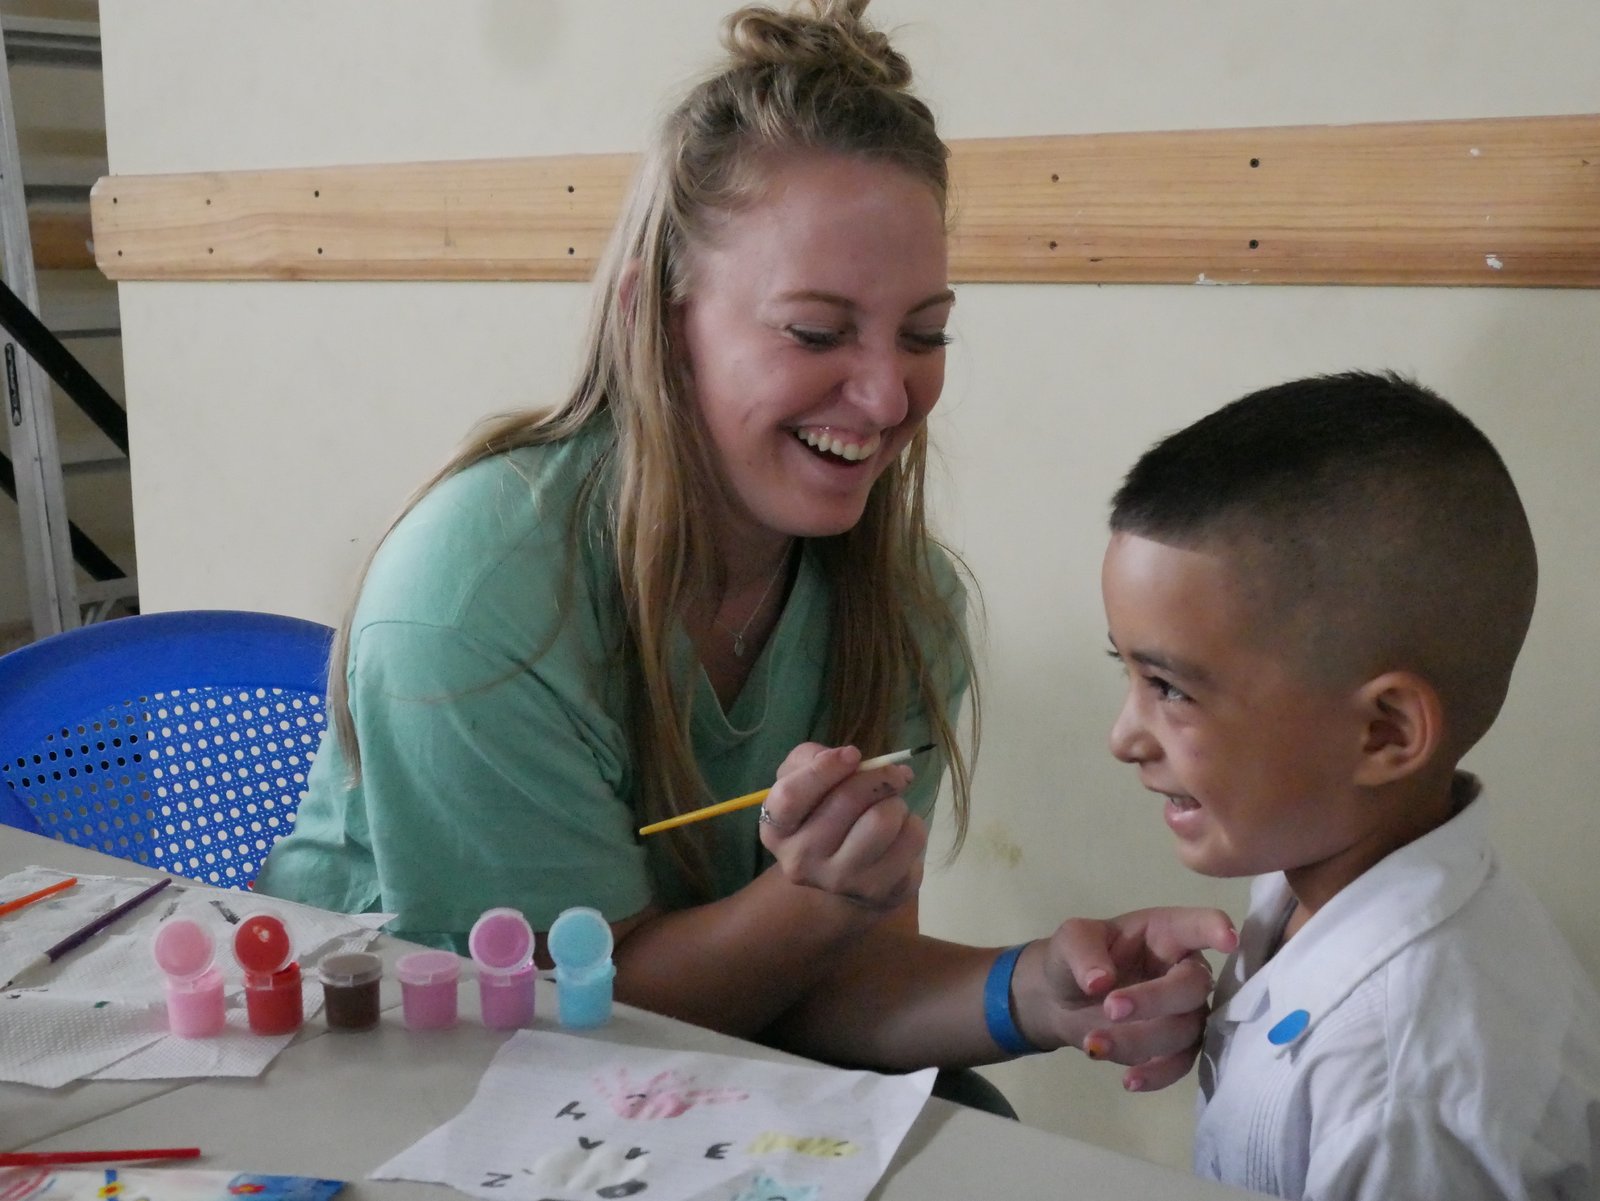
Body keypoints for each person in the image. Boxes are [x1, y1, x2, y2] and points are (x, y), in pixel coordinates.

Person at [257, 0, 1235, 1092]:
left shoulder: (907, 604)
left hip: (677, 1071)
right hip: (388, 1078)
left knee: (966, 1109)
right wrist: (810, 899)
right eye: (816, 331)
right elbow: (557, 1031)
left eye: (924, 333)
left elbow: (831, 985)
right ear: (657, 319)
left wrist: (1035, 987)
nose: (887, 397)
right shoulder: (476, 599)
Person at [1101, 370, 1600, 1198]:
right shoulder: (1322, 873)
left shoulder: (1405, 1090)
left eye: (1171, 688)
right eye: (1124, 669)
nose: (1123, 737)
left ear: (1384, 733)